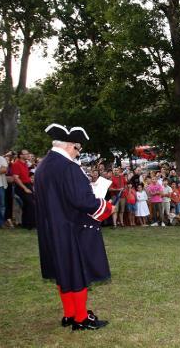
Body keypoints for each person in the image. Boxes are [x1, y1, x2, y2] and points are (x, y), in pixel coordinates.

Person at [35, 124, 113, 331]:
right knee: (76, 272)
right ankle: (81, 318)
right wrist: (106, 206)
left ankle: (69, 314)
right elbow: (82, 200)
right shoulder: (67, 167)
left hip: (51, 227)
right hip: (71, 227)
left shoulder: (44, 165)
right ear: (71, 146)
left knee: (64, 271)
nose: (78, 153)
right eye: (78, 148)